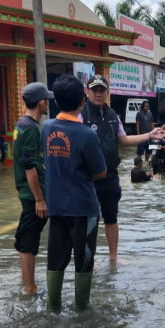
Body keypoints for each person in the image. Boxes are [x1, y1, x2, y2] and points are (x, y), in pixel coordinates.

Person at [81, 74, 165, 261]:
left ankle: (113, 257)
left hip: (111, 176)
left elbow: (124, 139)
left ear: (107, 93)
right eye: (94, 90)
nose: (98, 94)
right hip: (89, 179)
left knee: (112, 217)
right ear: (87, 92)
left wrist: (150, 135)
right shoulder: (82, 114)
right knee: (90, 220)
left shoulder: (113, 115)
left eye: (101, 90)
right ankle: (90, 260)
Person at [42, 75, 107, 311]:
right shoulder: (87, 134)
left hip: (56, 206)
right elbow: (100, 172)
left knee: (56, 259)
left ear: (56, 102)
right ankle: (82, 309)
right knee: (84, 261)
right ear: (83, 100)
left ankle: (53, 308)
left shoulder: (46, 128)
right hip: (83, 208)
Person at [13, 82, 52, 295]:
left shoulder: (22, 124)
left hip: (26, 192)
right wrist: (39, 198)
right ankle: (30, 287)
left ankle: (25, 280)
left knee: (24, 237)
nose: (48, 103)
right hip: (32, 194)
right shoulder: (30, 129)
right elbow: (30, 167)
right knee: (29, 241)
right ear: (40, 102)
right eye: (46, 100)